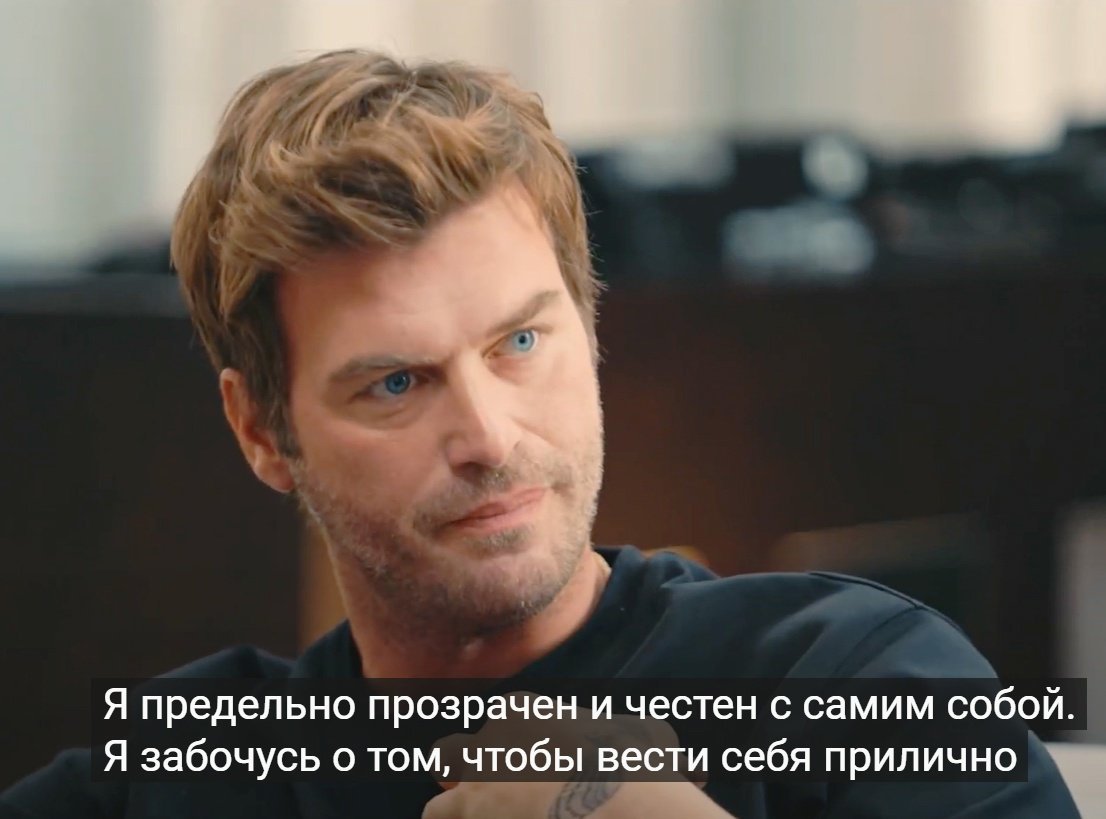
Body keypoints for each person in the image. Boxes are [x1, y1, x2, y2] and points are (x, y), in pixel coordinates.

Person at [1, 49, 1078, 819]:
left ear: (590, 327)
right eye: (394, 383)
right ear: (261, 432)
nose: (487, 434)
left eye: (519, 342)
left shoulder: (854, 685)